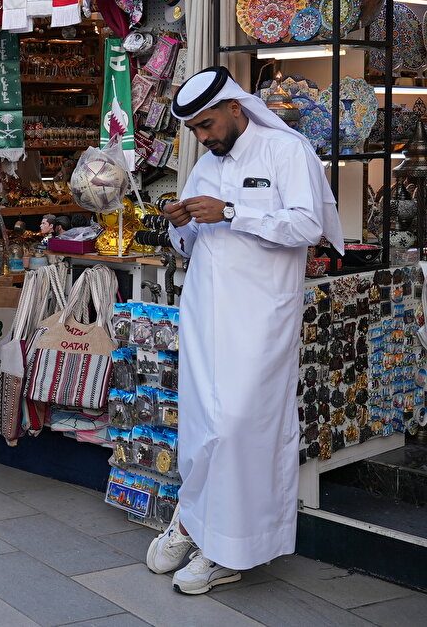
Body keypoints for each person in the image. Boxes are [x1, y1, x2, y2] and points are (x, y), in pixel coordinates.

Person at [150, 66, 343, 594]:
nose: (203, 138)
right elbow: (191, 245)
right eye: (193, 131)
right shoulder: (206, 166)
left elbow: (310, 225)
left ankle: (230, 548)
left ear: (236, 108)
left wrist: (232, 211)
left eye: (207, 125)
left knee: (240, 427)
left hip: (261, 318)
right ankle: (195, 521)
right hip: (205, 315)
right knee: (200, 426)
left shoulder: (287, 151)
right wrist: (182, 225)